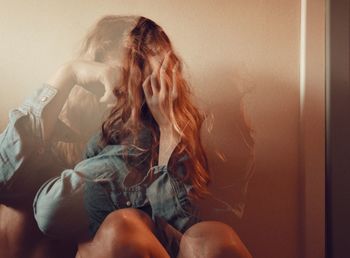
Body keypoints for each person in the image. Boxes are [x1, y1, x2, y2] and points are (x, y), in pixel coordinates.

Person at [0, 15, 252, 258]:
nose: (136, 96)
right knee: (122, 228)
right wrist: (68, 74)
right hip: (96, 236)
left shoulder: (193, 136)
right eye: (123, 81)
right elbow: (6, 182)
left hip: (164, 243)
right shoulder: (63, 137)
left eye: (147, 79)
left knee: (215, 238)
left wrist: (168, 134)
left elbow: (183, 230)